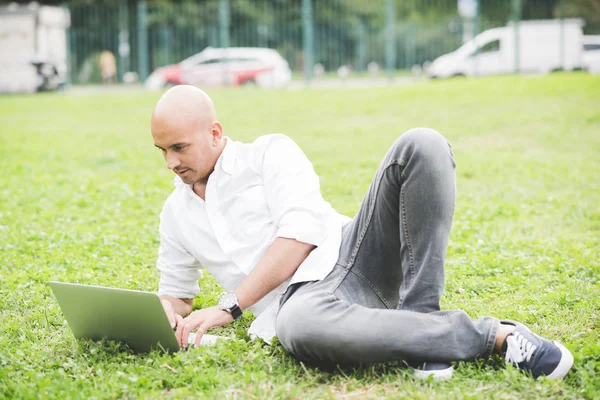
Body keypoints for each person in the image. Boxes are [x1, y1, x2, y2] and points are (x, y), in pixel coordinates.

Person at [151, 85, 573, 380]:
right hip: (303, 306)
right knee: (298, 327)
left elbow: (299, 236)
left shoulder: (268, 153)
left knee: (421, 143)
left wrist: (230, 307)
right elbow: (178, 293)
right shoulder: (175, 213)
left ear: (215, 133)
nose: (170, 162)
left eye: (179, 148)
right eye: (162, 151)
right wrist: (164, 312)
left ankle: (428, 319)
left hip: (353, 253)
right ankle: (475, 338)